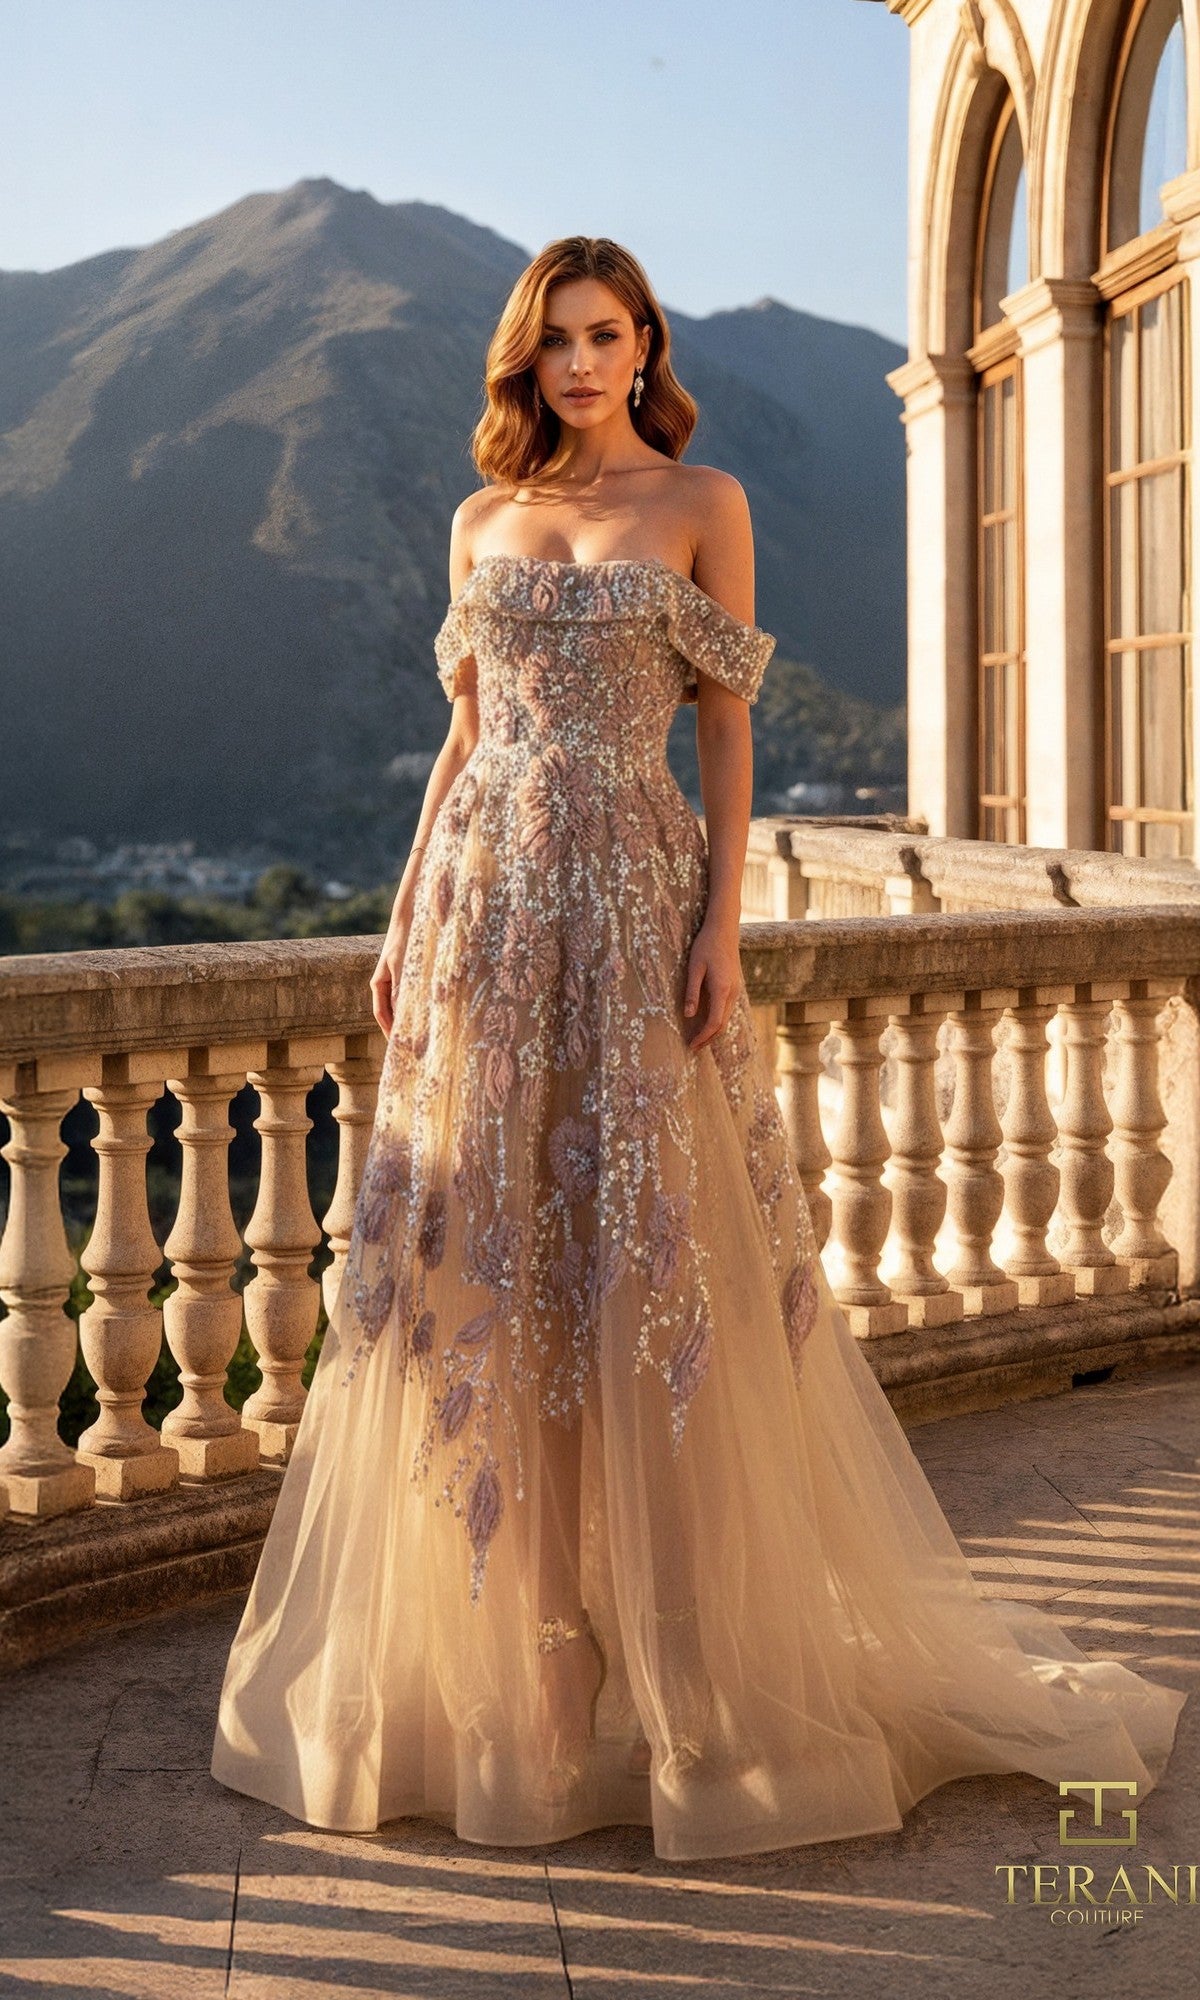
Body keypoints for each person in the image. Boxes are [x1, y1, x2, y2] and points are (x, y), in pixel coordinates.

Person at [211, 236, 1186, 1862]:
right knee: (487, 1289)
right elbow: (462, 748)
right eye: (556, 343)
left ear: (645, 343)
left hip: (634, 907)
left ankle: (688, 1692)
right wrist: (399, 925)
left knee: (643, 1283)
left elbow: (726, 730)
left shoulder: (703, 504)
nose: (581, 364)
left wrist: (719, 927)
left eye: (608, 337)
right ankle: (527, 1700)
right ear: (524, 361)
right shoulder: (482, 522)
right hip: (486, 926)